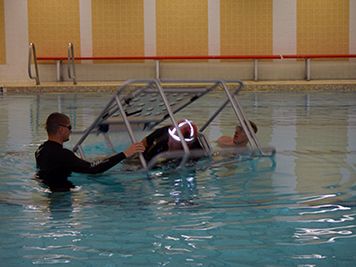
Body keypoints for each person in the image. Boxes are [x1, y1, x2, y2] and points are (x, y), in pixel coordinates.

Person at [35, 112, 145, 192]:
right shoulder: (63, 154)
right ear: (61, 129)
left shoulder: (40, 150)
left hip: (49, 191)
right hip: (62, 196)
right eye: (70, 127)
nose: (71, 131)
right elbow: (93, 168)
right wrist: (125, 154)